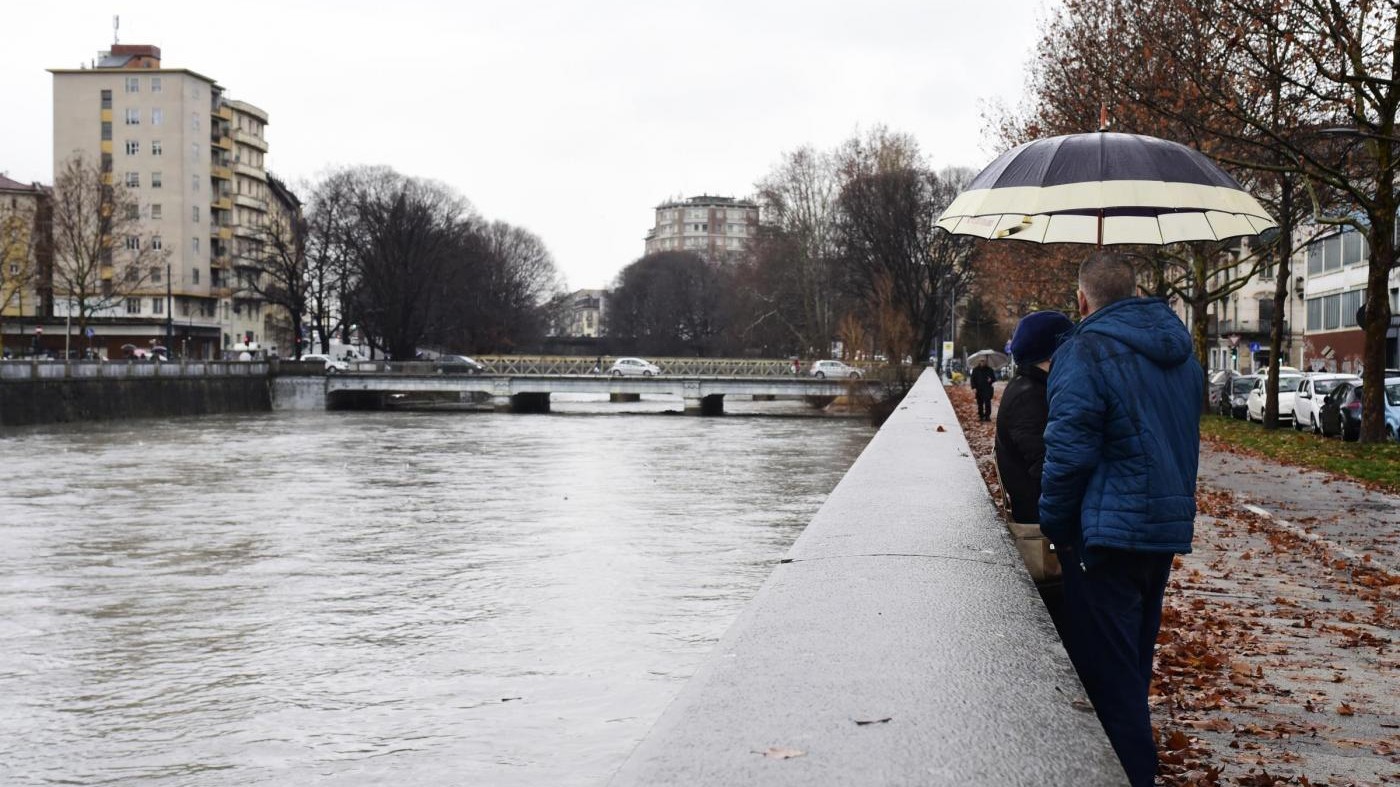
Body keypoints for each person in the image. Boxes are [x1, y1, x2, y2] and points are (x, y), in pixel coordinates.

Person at [1039, 251, 1203, 787]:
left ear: (1082, 299)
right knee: (1131, 670)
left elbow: (1068, 452)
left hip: (1104, 539)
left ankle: (1133, 775)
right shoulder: (1180, 351)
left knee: (1110, 687)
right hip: (1160, 533)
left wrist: (1055, 528)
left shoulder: (1083, 349)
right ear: (1134, 293)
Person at [995, 311, 1074, 524]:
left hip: (1042, 515)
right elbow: (1046, 466)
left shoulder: (1031, 387)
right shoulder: (1028, 396)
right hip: (1042, 524)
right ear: (1053, 353)